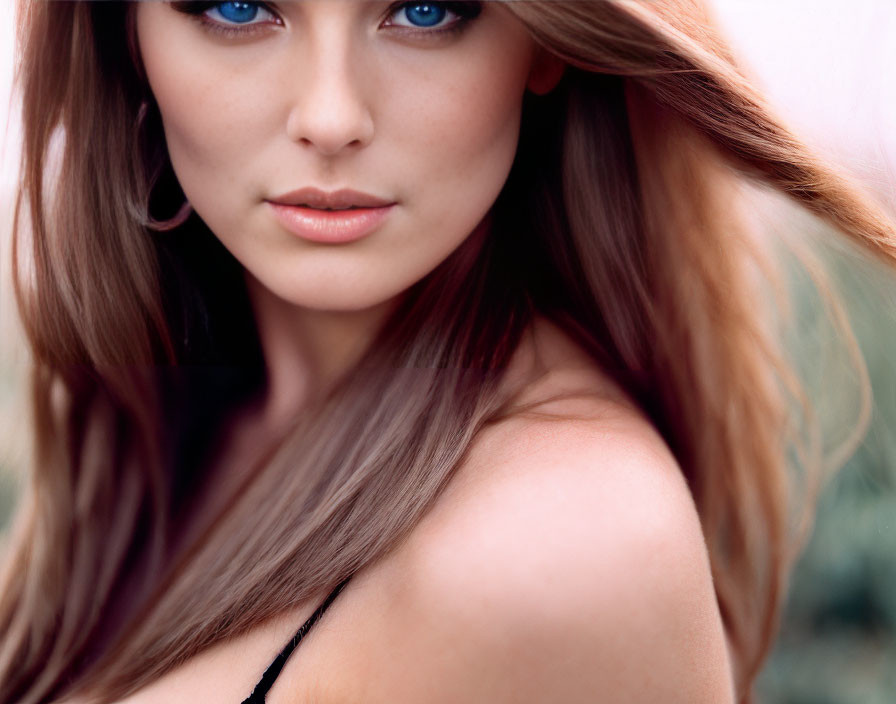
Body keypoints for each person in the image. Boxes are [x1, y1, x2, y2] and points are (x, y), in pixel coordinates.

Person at [0, 1, 893, 702]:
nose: (331, 115)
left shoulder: (568, 542)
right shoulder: (160, 418)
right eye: (237, 6)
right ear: (126, 38)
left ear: (545, 38)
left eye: (426, 9)